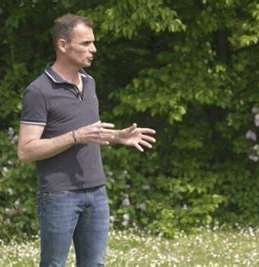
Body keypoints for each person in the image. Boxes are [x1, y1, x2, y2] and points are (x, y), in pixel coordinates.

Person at [17, 14, 156, 266]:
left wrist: (117, 137)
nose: (93, 49)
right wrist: (75, 136)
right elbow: (25, 151)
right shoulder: (38, 91)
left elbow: (89, 134)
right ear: (62, 45)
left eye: (93, 43)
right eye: (85, 43)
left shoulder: (89, 83)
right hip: (59, 195)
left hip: (96, 192)